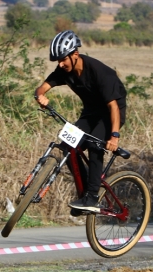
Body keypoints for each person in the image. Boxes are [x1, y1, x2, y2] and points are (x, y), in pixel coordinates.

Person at [34, 30, 127, 214]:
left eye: (63, 59)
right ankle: (84, 194)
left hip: (110, 115)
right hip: (91, 113)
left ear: (75, 54)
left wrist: (114, 136)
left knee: (94, 145)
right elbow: (42, 87)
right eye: (58, 61)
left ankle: (92, 197)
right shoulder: (64, 70)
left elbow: (114, 107)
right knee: (68, 146)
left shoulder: (100, 73)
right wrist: (40, 96)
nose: (60, 64)